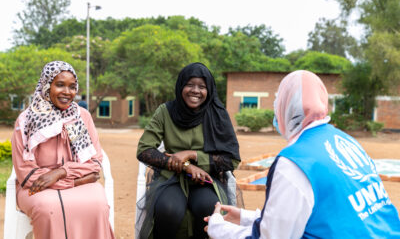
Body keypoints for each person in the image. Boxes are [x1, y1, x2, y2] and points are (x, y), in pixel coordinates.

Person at [205, 70, 400, 238]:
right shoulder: (343, 139)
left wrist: (218, 228)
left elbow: (271, 237)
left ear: (285, 107)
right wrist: (247, 217)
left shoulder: (294, 161)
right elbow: (325, 214)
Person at [136, 62, 241, 239]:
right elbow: (144, 150)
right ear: (180, 86)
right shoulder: (166, 111)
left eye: (202, 86)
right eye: (190, 84)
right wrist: (186, 166)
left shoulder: (217, 115)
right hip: (172, 178)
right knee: (169, 210)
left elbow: (231, 160)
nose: (195, 90)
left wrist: (192, 155)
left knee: (208, 209)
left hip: (207, 180)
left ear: (209, 90)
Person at [11, 61, 115, 239]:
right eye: (60, 85)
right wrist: (76, 182)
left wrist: (61, 172)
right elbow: (27, 175)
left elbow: (93, 162)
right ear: (46, 85)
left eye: (72, 87)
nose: (67, 92)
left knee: (97, 204)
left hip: (64, 180)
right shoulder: (26, 121)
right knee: (48, 208)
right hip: (37, 188)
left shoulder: (78, 117)